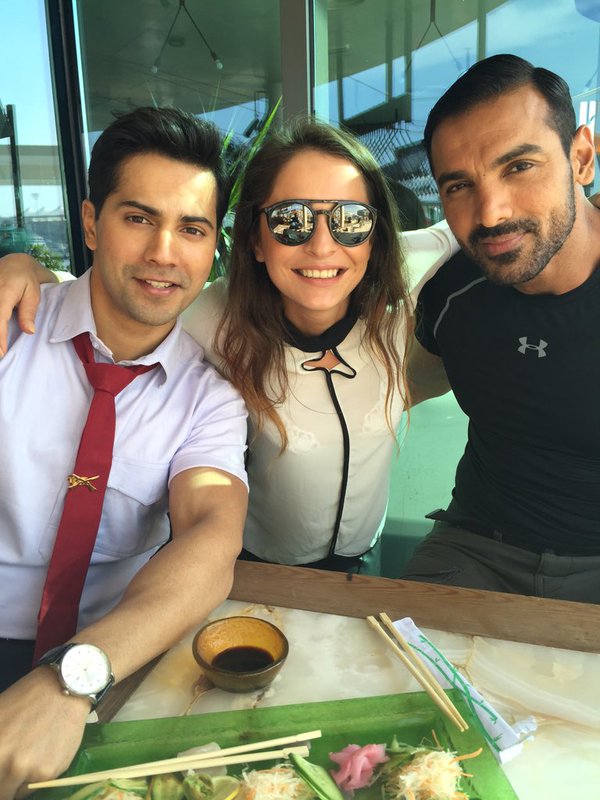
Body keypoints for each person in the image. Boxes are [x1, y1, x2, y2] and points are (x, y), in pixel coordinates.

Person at [0, 120, 454, 575]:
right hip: (256, 568)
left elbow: (467, 227)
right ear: (255, 239)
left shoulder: (406, 288)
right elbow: (130, 303)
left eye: (351, 220)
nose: (322, 245)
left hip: (365, 560)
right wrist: (33, 274)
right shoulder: (214, 318)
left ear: (376, 236)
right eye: (290, 220)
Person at [0, 106, 248, 795]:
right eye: (138, 218)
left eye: (192, 229)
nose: (164, 253)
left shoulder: (208, 398)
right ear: (90, 223)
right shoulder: (10, 328)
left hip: (113, 653)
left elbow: (210, 538)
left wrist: (71, 679)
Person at [402, 54, 600, 603]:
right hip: (475, 546)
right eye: (459, 186)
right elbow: (399, 390)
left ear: (581, 158)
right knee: (389, 654)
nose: (490, 213)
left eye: (519, 167)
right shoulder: (452, 294)